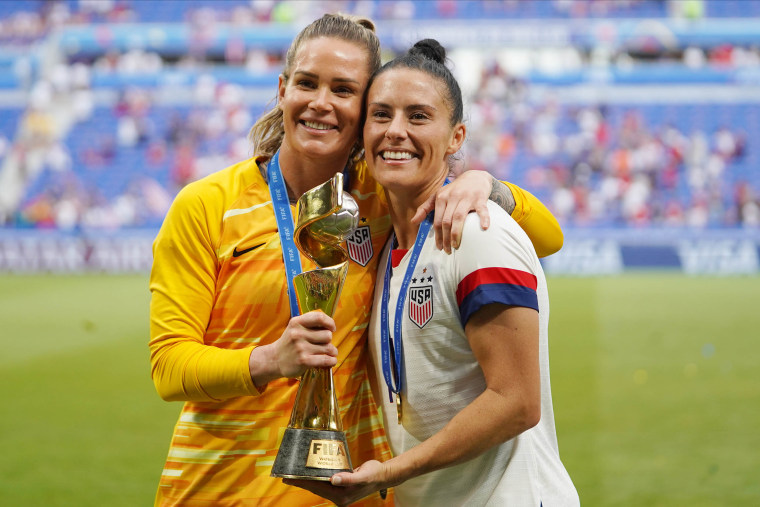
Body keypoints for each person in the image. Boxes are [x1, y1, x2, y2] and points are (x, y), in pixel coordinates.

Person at [149, 15, 563, 506]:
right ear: (283, 90)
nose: (321, 102)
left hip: (346, 494)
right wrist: (269, 360)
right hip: (221, 489)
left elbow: (547, 236)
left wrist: (487, 186)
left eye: (343, 89)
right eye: (306, 83)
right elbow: (168, 365)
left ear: (362, 110)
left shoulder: (379, 192)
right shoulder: (207, 206)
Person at [290, 39, 579, 506]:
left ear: (456, 138)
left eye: (418, 116)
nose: (395, 131)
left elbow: (517, 402)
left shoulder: (479, 233)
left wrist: (389, 472)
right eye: (380, 115)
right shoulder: (385, 248)